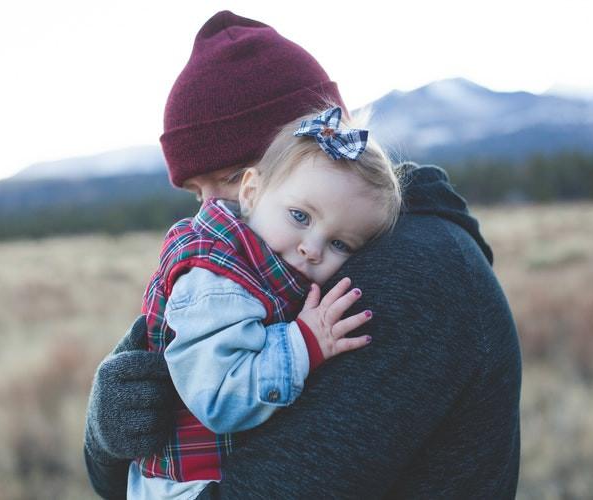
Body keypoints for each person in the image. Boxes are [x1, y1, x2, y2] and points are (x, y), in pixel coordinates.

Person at [84, 10, 522, 500]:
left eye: (230, 178)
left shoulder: (410, 274)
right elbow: (118, 477)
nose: (211, 213)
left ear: (316, 144)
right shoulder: (261, 267)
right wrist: (107, 434)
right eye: (195, 193)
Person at [128, 106, 401, 499]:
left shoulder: (266, 265)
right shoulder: (216, 282)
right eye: (299, 216)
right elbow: (220, 398)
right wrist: (303, 342)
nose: (312, 249)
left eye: (340, 244)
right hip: (188, 488)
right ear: (252, 192)